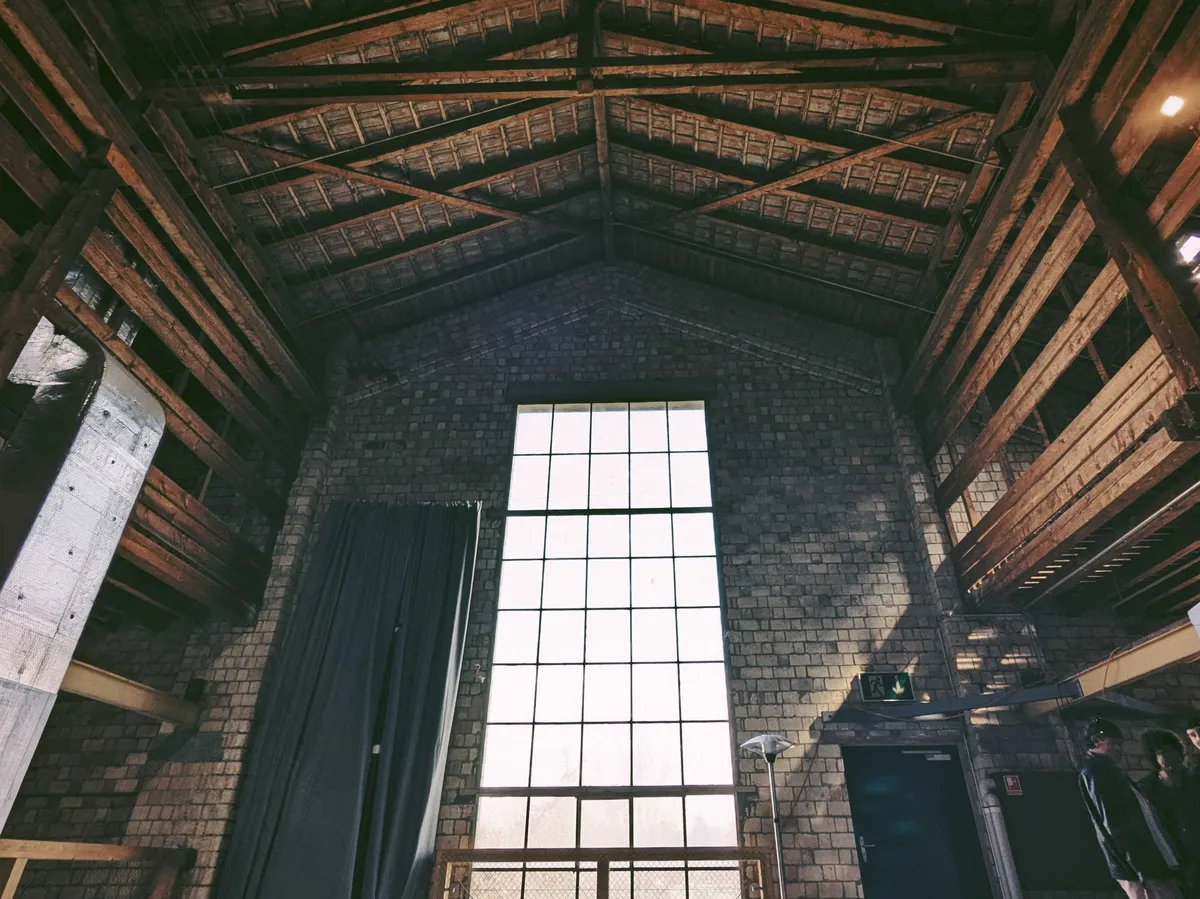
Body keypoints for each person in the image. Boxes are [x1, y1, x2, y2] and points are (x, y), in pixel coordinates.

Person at [1078, 718, 1183, 899]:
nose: (1119, 750)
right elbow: (1114, 822)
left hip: (1140, 862)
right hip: (1138, 864)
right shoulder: (1098, 772)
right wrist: (1138, 866)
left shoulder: (1107, 770)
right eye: (1114, 744)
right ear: (1097, 741)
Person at [1140, 730, 1200, 898]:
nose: (1169, 757)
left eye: (1173, 752)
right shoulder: (1147, 789)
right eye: (1162, 753)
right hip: (1170, 855)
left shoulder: (1194, 781)